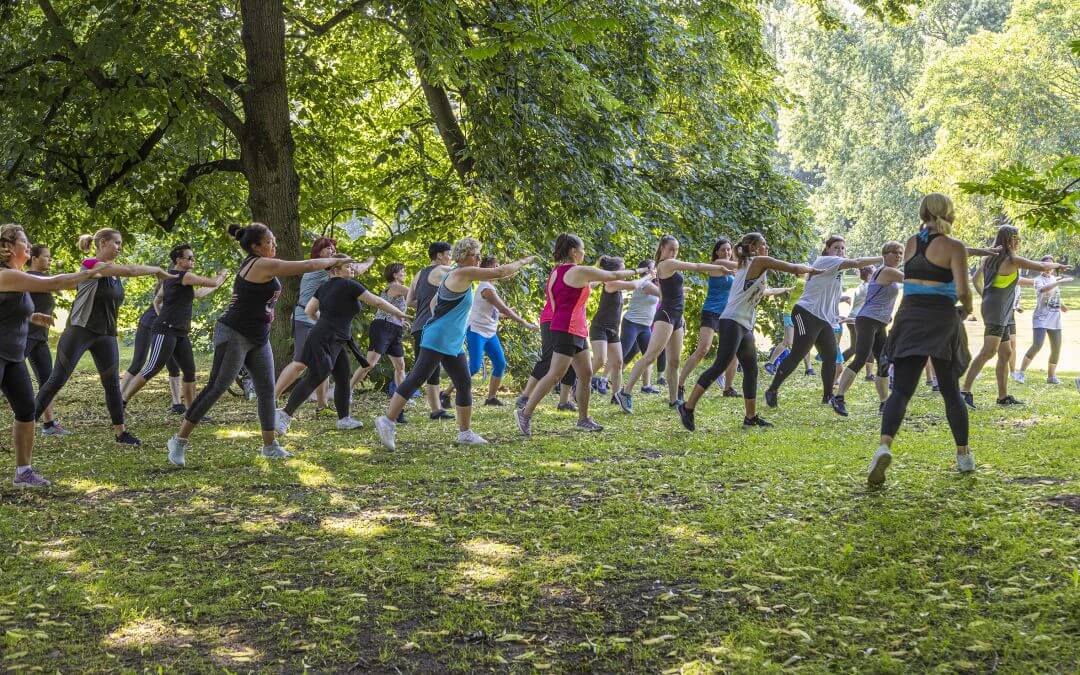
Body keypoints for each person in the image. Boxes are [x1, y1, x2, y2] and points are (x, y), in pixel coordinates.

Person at [165, 223, 349, 467]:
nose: (274, 244)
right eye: (269, 241)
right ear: (255, 247)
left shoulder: (264, 263)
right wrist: (336, 259)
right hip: (234, 334)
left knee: (266, 391)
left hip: (259, 337)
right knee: (217, 387)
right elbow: (306, 265)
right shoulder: (260, 264)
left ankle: (270, 446)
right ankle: (179, 441)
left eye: (274, 240)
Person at [868, 194, 985, 485]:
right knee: (950, 391)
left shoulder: (910, 242)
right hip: (941, 318)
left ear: (923, 212)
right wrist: (968, 310)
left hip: (909, 316)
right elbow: (962, 289)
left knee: (902, 391)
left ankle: (884, 445)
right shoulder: (954, 247)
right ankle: (964, 455)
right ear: (949, 212)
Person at [375, 239, 534, 450]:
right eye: (476, 255)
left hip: (450, 340)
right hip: (439, 338)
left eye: (479, 255)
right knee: (417, 377)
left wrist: (446, 324)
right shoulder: (462, 273)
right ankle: (387, 420)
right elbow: (500, 272)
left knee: (464, 382)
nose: (479, 258)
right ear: (464, 256)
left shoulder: (454, 274)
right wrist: (523, 261)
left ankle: (465, 433)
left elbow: (433, 304)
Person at [34, 228, 174, 446]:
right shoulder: (91, 265)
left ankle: (121, 433)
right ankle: (25, 424)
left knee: (111, 385)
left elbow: (123, 273)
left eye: (120, 243)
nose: (119, 247)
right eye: (116, 243)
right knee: (57, 380)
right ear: (102, 243)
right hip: (79, 331)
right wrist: (156, 269)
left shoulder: (114, 272)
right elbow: (131, 269)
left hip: (106, 335)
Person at [1, 225, 116, 486]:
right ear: (9, 248)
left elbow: (7, 308)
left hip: (13, 356)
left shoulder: (14, 276)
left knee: (27, 410)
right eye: (24, 242)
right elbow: (51, 283)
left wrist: (32, 316)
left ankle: (23, 472)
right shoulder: (5, 275)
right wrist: (89, 272)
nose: (28, 246)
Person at [675, 233, 818, 431]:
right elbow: (794, 268)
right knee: (720, 365)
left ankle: (750, 417)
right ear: (752, 247)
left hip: (744, 324)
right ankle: (687, 408)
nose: (766, 247)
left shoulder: (746, 263)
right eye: (763, 244)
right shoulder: (757, 260)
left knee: (751, 369)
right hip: (732, 321)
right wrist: (815, 270)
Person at [516, 234, 640, 435]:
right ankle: (525, 412)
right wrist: (641, 271)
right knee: (555, 374)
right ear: (573, 251)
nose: (584, 253)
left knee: (586, 374)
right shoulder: (576, 270)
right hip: (567, 328)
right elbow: (611, 276)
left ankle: (583, 419)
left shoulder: (557, 271)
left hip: (576, 329)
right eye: (582, 249)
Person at [276, 255, 408, 433]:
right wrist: (399, 313)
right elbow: (376, 301)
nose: (352, 268)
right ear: (335, 269)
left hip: (332, 337)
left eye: (353, 266)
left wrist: (324, 323)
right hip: (327, 338)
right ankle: (284, 415)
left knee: (343, 377)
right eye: (349, 266)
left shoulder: (323, 287)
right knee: (317, 375)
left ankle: (344, 418)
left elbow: (310, 310)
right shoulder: (348, 285)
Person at [615, 235, 739, 410]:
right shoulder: (666, 264)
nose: (674, 252)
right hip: (666, 316)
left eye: (677, 250)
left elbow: (667, 294)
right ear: (662, 249)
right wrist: (720, 267)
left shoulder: (667, 268)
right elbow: (696, 266)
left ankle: (674, 400)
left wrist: (680, 317)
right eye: (671, 249)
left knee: (673, 362)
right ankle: (624, 392)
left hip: (676, 317)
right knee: (650, 356)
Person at [761, 237, 883, 413]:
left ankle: (828, 396)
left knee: (831, 356)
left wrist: (835, 314)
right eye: (836, 247)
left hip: (824, 318)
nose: (840, 251)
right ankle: (772, 390)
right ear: (827, 249)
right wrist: (882, 258)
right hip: (806, 312)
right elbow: (857, 262)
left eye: (842, 248)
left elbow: (828, 294)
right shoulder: (826, 260)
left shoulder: (838, 269)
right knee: (798, 353)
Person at [960, 224, 1068, 407]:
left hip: (1003, 310)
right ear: (1010, 240)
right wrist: (1057, 265)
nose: (1019, 242)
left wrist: (985, 296)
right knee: (989, 351)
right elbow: (1040, 265)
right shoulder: (1012, 259)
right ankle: (964, 392)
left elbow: (1006, 280)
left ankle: (1003, 397)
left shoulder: (990, 258)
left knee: (1006, 352)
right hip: (997, 311)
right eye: (1016, 238)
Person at [120, 243, 227, 408]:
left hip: (180, 333)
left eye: (193, 258)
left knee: (190, 371)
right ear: (178, 260)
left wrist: (218, 283)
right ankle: (122, 401)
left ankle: (191, 412)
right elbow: (211, 283)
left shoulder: (170, 277)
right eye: (189, 258)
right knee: (152, 368)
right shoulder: (183, 276)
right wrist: (222, 275)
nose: (193, 261)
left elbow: (159, 299)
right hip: (166, 330)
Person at [444, 255, 538, 407]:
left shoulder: (490, 287)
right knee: (474, 367)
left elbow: (494, 310)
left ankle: (491, 398)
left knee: (500, 363)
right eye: (495, 266)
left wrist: (501, 316)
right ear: (486, 269)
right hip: (476, 331)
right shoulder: (486, 288)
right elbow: (504, 308)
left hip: (489, 332)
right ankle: (445, 394)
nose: (497, 269)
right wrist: (524, 323)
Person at [830, 242, 904, 416]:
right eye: (894, 252)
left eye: (900, 253)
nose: (898, 256)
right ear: (885, 254)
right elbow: (911, 280)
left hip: (879, 322)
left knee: (883, 362)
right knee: (861, 358)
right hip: (868, 320)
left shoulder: (888, 272)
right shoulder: (886, 270)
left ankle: (884, 403)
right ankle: (838, 397)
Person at [273, 237, 342, 409]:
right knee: (300, 363)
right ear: (319, 252)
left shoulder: (329, 270)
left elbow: (349, 270)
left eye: (334, 248)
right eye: (328, 248)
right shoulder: (318, 267)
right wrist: (356, 262)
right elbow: (345, 266)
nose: (332, 251)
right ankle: (271, 398)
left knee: (323, 362)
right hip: (305, 319)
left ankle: (322, 406)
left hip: (318, 321)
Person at [350, 263, 410, 415]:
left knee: (400, 366)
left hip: (394, 329)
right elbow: (416, 294)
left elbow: (412, 303)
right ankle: (347, 391)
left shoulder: (397, 290)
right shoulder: (396, 286)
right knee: (369, 363)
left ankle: (400, 396)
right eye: (402, 271)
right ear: (395, 275)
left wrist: (402, 321)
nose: (405, 273)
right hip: (383, 327)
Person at [23, 244, 70, 436]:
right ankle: (29, 423)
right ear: (33, 258)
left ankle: (49, 424)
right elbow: (59, 282)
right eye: (46, 257)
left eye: (50, 257)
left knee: (48, 380)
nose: (50, 260)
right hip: (24, 336)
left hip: (39, 338)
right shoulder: (32, 277)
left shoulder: (43, 278)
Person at [408, 242, 455, 420]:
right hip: (431, 327)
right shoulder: (443, 271)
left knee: (430, 370)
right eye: (449, 254)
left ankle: (436, 410)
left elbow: (409, 301)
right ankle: (396, 411)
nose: (450, 258)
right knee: (420, 372)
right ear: (439, 256)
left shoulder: (419, 274)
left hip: (419, 326)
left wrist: (425, 305)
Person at [122, 293, 184, 413]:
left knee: (174, 366)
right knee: (138, 363)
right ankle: (118, 399)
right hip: (148, 324)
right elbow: (159, 304)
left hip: (166, 329)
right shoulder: (170, 283)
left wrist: (216, 282)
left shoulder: (186, 285)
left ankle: (177, 405)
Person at [588, 256, 639, 396]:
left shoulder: (616, 286)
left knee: (617, 363)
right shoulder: (611, 284)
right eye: (622, 270)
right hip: (600, 327)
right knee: (600, 360)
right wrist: (647, 276)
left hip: (613, 330)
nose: (624, 273)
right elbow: (634, 285)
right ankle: (579, 382)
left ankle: (616, 396)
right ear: (614, 272)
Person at [1017, 257, 1072, 384]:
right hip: (1041, 318)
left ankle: (1051, 377)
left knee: (1056, 348)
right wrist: (1058, 282)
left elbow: (1055, 295)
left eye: (1052, 266)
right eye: (1047, 266)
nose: (1049, 269)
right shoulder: (1037, 280)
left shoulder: (1053, 279)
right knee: (1037, 345)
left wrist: (1062, 306)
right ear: (1042, 267)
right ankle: (1020, 373)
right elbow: (1043, 290)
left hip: (1055, 319)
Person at [618, 260, 663, 396]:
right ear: (645, 270)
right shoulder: (644, 283)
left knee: (648, 355)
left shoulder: (654, 284)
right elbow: (661, 294)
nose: (655, 270)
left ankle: (646, 386)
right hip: (632, 323)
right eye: (652, 268)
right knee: (620, 355)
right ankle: (603, 379)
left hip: (645, 327)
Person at [765, 275, 814, 376]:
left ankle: (809, 368)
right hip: (792, 314)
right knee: (788, 342)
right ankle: (770, 364)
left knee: (804, 341)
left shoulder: (801, 281)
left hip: (798, 315)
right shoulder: (801, 282)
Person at [840, 267, 874, 379]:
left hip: (853, 319)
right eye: (874, 272)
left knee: (854, 348)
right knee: (868, 346)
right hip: (858, 320)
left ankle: (837, 364)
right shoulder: (870, 287)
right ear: (869, 274)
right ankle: (869, 375)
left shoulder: (861, 286)